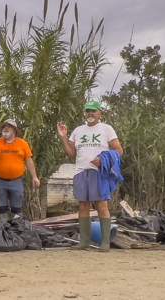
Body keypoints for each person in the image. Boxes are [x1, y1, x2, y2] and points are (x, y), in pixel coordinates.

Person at [57, 101, 124, 251]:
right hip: (80, 172)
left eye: (93, 111)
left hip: (98, 172)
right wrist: (63, 137)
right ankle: (84, 242)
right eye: (88, 111)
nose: (90, 114)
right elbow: (71, 154)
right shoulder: (78, 130)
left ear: (100, 113)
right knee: (83, 205)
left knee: (101, 204)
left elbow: (119, 151)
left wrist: (103, 160)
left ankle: (105, 243)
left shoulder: (106, 129)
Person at [0, 119, 41, 222]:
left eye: (8, 127)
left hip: (17, 181)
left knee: (17, 209)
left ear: (14, 130)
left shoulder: (22, 144)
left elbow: (29, 161)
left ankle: (17, 230)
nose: (5, 128)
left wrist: (34, 177)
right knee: (2, 208)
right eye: (4, 127)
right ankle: (4, 229)